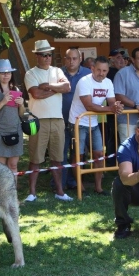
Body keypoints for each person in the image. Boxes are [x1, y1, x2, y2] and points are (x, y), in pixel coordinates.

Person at [23, 39, 72, 202]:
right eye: (43, 55)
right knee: (35, 158)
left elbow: (67, 87)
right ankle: (32, 193)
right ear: (37, 56)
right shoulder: (31, 73)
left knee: (57, 158)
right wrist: (56, 89)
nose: (47, 57)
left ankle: (60, 191)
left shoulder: (57, 71)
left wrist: (47, 86)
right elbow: (36, 94)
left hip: (58, 120)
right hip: (38, 121)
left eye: (49, 54)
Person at [68, 56, 122, 194]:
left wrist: (116, 106)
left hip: (94, 123)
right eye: (98, 70)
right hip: (78, 121)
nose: (101, 73)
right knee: (79, 155)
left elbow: (112, 102)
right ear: (92, 69)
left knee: (99, 153)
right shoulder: (84, 82)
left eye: (104, 70)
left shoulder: (108, 82)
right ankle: (80, 186)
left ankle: (98, 187)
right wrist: (111, 109)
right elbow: (89, 106)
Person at [0, 59, 25, 179]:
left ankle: (12, 195)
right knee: (0, 168)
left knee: (13, 165)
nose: (6, 75)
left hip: (15, 130)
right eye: (2, 73)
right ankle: (1, 196)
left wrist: (22, 104)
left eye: (8, 72)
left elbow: (21, 114)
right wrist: (3, 102)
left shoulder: (16, 90)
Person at [59, 48, 91, 189]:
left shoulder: (88, 74)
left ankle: (75, 182)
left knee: (77, 153)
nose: (71, 61)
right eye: (68, 58)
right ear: (64, 59)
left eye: (74, 58)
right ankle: (60, 182)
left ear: (80, 59)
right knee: (61, 152)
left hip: (81, 121)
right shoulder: (57, 73)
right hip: (61, 119)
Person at [113, 47, 139, 142]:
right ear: (133, 60)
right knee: (128, 152)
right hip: (127, 121)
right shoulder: (122, 73)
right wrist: (136, 106)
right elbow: (118, 96)